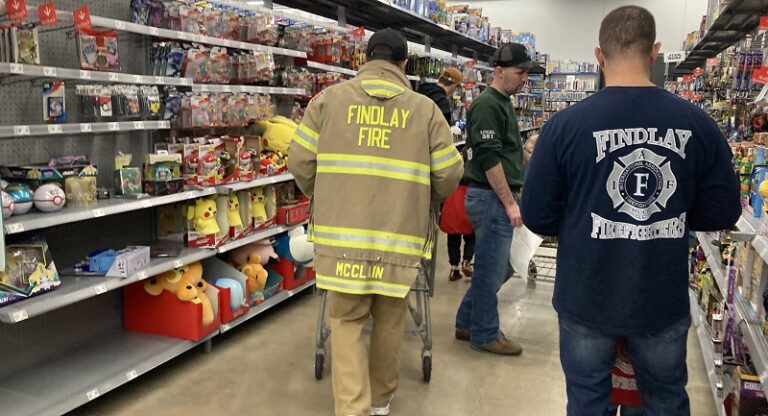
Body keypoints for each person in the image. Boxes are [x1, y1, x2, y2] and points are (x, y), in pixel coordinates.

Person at [521, 6, 740, 416]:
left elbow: (537, 215)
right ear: (654, 52)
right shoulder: (698, 124)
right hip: (660, 296)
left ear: (599, 56)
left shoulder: (563, 127)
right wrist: (671, 216)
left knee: (587, 401)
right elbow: (722, 211)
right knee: (664, 401)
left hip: (586, 295)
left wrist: (583, 217)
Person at [287, 28, 463, 416]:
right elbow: (450, 173)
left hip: (341, 240)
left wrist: (324, 192)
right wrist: (423, 198)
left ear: (366, 59)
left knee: (346, 321)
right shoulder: (426, 110)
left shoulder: (327, 102)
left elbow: (298, 160)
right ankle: (381, 402)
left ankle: (353, 409)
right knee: (389, 321)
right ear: (404, 63)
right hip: (399, 239)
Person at [454, 42, 542, 355]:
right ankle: (485, 333)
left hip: (498, 198)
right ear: (499, 71)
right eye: (520, 72)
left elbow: (507, 153)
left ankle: (467, 321)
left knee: (500, 266)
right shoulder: (488, 105)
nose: (525, 79)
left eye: (527, 73)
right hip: (491, 199)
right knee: (492, 269)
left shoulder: (503, 102)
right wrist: (509, 202)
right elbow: (490, 160)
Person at [417, 68, 476, 281]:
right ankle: (463, 261)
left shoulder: (419, 92)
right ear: (455, 87)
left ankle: (450, 266)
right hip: (430, 169)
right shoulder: (441, 103)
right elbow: (440, 142)